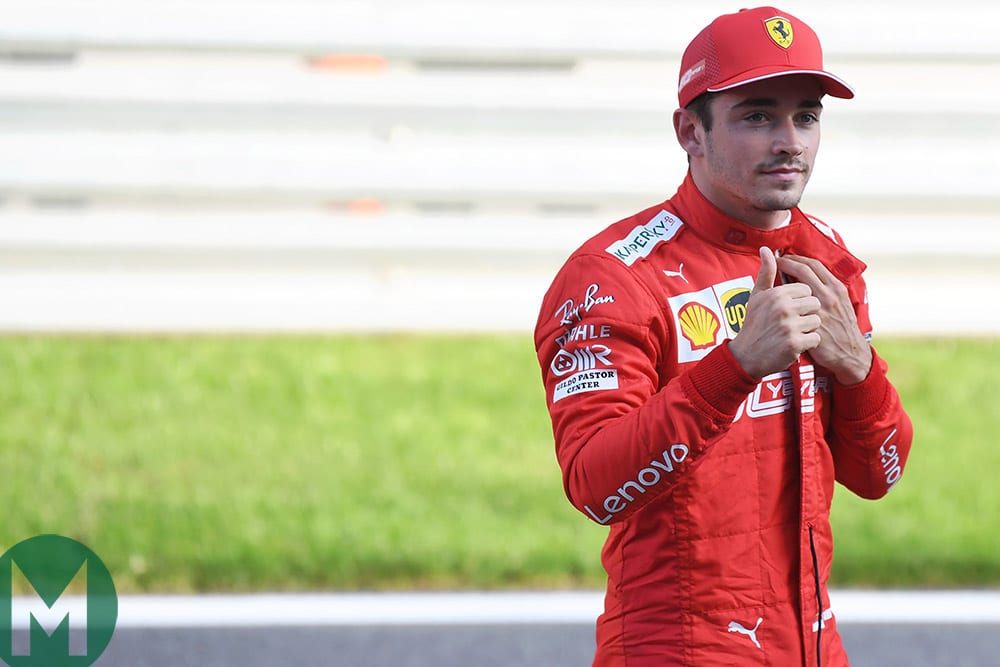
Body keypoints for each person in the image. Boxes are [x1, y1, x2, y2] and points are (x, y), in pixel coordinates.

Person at [533, 6, 914, 666]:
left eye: (806, 116)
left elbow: (879, 474)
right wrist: (735, 366)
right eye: (757, 116)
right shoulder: (611, 278)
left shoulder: (825, 257)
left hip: (813, 645)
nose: (789, 141)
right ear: (690, 131)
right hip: (677, 648)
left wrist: (860, 371)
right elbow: (595, 487)